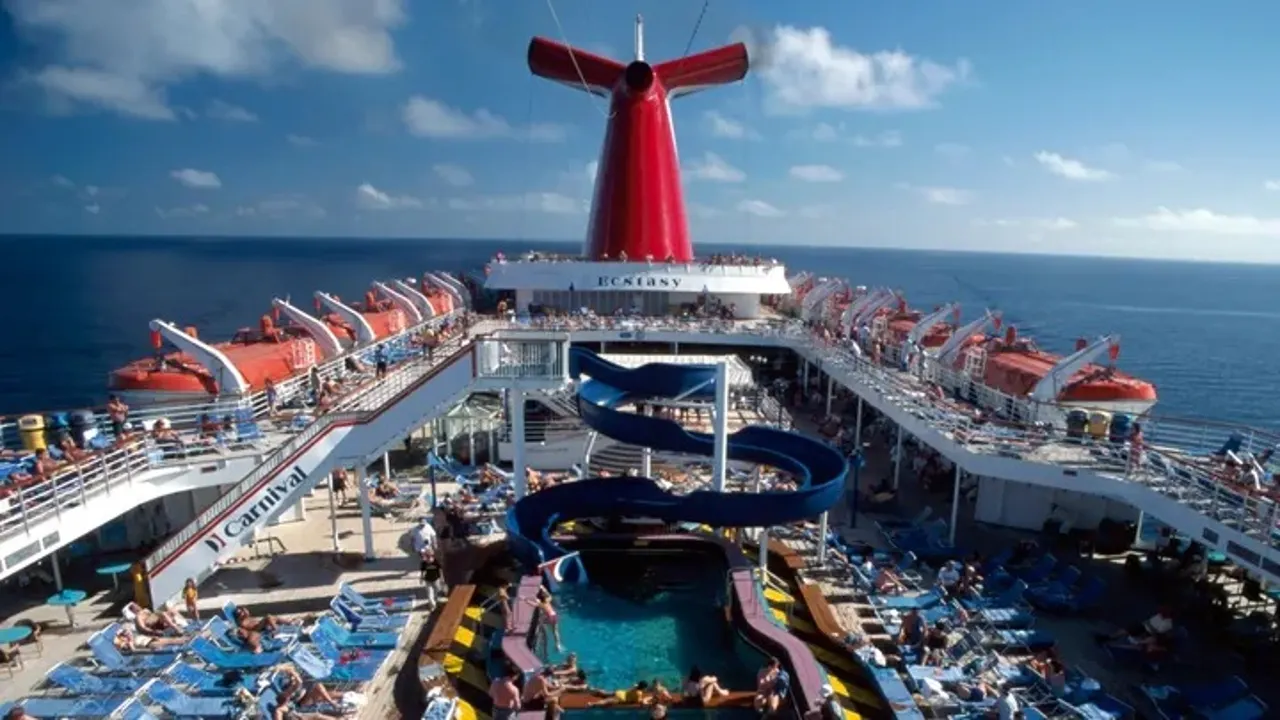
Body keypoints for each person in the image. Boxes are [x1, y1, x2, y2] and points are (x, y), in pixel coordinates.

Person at [271, 664, 340, 720]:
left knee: (318, 685)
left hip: (299, 710)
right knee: (317, 715)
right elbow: (298, 682)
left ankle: (333, 705)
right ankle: (333, 706)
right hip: (300, 709)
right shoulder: (288, 688)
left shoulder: (286, 704)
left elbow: (299, 681)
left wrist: (291, 672)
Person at [114, 626, 186, 652]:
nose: (128, 633)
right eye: (125, 633)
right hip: (150, 644)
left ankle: (188, 640)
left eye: (126, 632)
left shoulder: (133, 636)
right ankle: (188, 643)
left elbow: (142, 636)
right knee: (172, 642)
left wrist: (152, 637)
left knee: (173, 640)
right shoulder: (129, 643)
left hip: (150, 639)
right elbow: (134, 650)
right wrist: (149, 650)